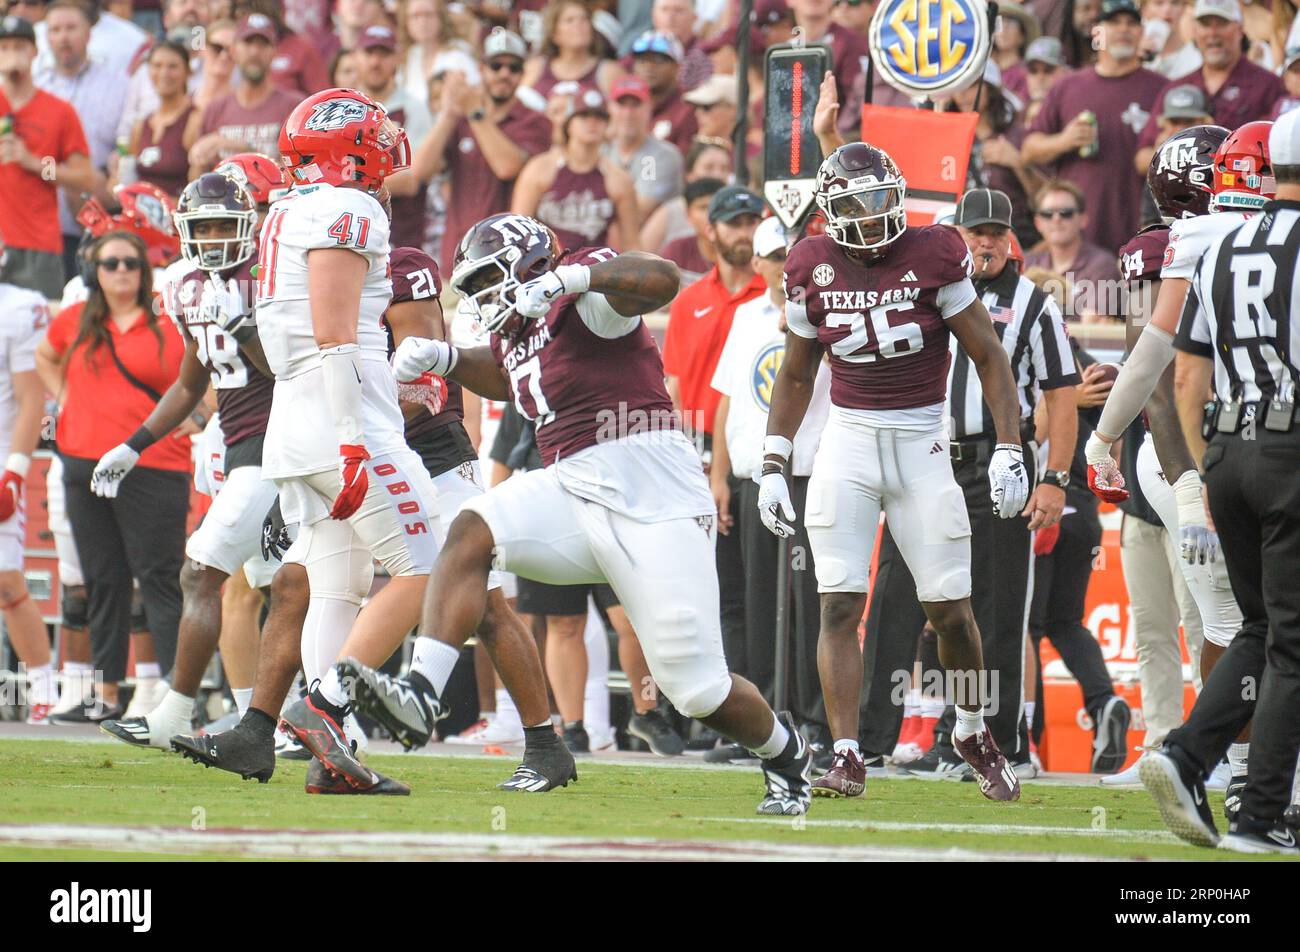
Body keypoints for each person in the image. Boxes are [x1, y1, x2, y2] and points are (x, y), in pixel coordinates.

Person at [348, 213, 815, 813]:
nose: (485, 297)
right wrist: (445, 357)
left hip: (654, 491)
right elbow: (512, 374)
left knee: (698, 691)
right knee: (470, 531)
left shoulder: (582, 293)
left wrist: (573, 282)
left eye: (491, 280)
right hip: (571, 481)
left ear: (530, 265)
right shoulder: (516, 330)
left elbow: (662, 278)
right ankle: (420, 690)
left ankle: (785, 754)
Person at [762, 146, 1031, 802]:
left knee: (950, 611)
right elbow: (797, 372)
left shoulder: (935, 252)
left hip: (920, 442)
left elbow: (990, 356)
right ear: (828, 210)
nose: (872, 214)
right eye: (856, 203)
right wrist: (773, 458)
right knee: (837, 602)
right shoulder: (809, 264)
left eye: (882, 198)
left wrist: (1010, 446)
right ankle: (848, 752)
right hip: (848, 443)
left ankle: (971, 727)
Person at [848, 188, 1080, 786]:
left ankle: (997, 740)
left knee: (994, 607)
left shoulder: (1033, 304)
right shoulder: (922, 289)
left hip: (994, 461)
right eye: (976, 231)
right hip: (923, 460)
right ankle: (866, 740)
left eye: (997, 233)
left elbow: (1061, 393)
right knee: (898, 598)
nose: (986, 242)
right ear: (953, 234)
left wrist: (1054, 478)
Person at [1140, 111, 1300, 853]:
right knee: (1292, 645)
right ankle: (1260, 813)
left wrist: (1206, 472)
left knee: (1261, 630)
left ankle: (1184, 754)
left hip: (1230, 450)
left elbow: (1186, 377)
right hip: (1291, 447)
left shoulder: (1224, 242)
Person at [1088, 124, 1267, 788]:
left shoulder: (1196, 240)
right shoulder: (1179, 244)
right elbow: (1161, 377)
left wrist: (1101, 436)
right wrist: (1188, 483)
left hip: (1222, 447)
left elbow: (1150, 369)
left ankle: (1223, 758)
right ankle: (1229, 761)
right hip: (1210, 451)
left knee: (1233, 621)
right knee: (1233, 621)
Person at [96, 172, 277, 749]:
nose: (219, 237)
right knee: (275, 584)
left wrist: (243, 324)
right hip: (245, 441)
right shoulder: (185, 285)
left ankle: (184, 717)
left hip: (288, 440)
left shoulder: (272, 277)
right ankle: (272, 724)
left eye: (229, 224)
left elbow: (287, 369)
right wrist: (134, 443)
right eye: (207, 227)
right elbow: (191, 378)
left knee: (209, 570)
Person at [34, 230, 190, 722]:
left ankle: (174, 696)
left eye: (131, 264)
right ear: (94, 273)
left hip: (155, 466)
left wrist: (200, 419)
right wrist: (66, 400)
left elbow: (195, 383)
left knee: (159, 580)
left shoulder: (166, 326)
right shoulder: (75, 322)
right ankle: (104, 698)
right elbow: (44, 355)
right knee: (103, 582)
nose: (122, 271)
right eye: (111, 263)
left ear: (145, 273)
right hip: (83, 464)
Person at [710, 215, 831, 749]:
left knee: (811, 601)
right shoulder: (746, 320)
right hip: (755, 477)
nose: (786, 266)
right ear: (758, 265)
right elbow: (729, 401)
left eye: (792, 255)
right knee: (759, 602)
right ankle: (762, 721)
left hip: (809, 472)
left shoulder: (827, 310)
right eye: (776, 257)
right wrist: (717, 474)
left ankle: (814, 718)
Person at [1023, 0, 1167, 253]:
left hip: (1141, 231)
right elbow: (1029, 149)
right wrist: (1064, 140)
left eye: (1132, 23)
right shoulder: (1068, 86)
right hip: (1078, 235)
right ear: (1097, 31)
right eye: (1113, 22)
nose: (1123, 29)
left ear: (1142, 32)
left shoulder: (1162, 88)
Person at [419, 27, 553, 274]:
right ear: (481, 70)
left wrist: (475, 112)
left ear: (523, 74)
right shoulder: (461, 119)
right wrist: (449, 114)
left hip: (513, 260)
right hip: (459, 254)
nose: (504, 73)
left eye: (513, 68)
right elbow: (421, 172)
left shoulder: (535, 122)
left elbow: (507, 167)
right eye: (496, 65)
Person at [0, 240, 55, 724]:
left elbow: (29, 399)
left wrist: (16, 468)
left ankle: (45, 688)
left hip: (1, 455)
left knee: (6, 579)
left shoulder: (19, 308)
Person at [0, 14, 94, 298]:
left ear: (35, 51)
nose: (12, 54)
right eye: (4, 47)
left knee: (41, 333)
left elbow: (84, 178)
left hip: (39, 244)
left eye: (20, 46)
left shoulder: (59, 111)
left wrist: (37, 164)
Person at [34, 1, 129, 274]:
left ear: (88, 34)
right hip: (45, 217)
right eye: (55, 30)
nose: (63, 37)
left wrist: (108, 175)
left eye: (71, 28)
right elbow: (34, 153)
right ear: (47, 37)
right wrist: (56, 174)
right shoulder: (37, 86)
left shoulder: (117, 84)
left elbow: (125, 144)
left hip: (98, 214)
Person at [1138, 0, 1283, 155]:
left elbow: (1282, 149)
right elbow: (1142, 155)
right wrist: (1166, 151)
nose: (1213, 33)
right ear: (1195, 31)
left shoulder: (1268, 85)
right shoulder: (1176, 87)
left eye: (1221, 24)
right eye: (1205, 24)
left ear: (1240, 29)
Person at [513, 86, 640, 253]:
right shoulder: (540, 169)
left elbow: (631, 245)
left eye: (599, 117)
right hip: (545, 267)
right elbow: (518, 231)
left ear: (607, 126)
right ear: (568, 124)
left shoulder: (618, 179)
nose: (592, 122)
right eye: (583, 116)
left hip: (595, 269)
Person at [186, 14, 301, 176]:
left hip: (275, 200)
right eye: (248, 43)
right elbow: (195, 180)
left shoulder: (294, 107)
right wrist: (198, 158)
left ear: (275, 52)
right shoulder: (215, 109)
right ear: (233, 51)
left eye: (263, 44)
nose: (254, 52)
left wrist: (240, 147)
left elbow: (294, 174)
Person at [352, 24, 434, 251]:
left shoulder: (413, 108)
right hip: (351, 230)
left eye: (384, 54)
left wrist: (343, 183)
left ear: (397, 59)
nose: (376, 62)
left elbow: (410, 179)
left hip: (401, 236)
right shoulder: (345, 107)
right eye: (369, 53)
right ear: (355, 57)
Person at [1024, 181, 1122, 320]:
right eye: (1047, 214)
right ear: (1038, 223)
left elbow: (1093, 323)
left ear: (1083, 219)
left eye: (1066, 213)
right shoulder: (1027, 263)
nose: (1056, 219)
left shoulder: (1102, 265)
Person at [604, 74, 684, 219]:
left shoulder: (659, 155)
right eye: (622, 105)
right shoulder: (602, 149)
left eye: (636, 105)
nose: (628, 113)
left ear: (650, 108)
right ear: (609, 107)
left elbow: (640, 211)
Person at [123, 40, 195, 199]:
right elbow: (128, 175)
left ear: (187, 72)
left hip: (178, 217)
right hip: (140, 216)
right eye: (157, 65)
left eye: (173, 66)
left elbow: (198, 188)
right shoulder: (141, 125)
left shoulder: (194, 119)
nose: (164, 73)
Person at [639, 136, 731, 250]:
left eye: (724, 168)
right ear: (689, 174)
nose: (718, 175)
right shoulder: (670, 212)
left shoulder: (737, 211)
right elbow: (642, 253)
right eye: (709, 167)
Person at [522, 0, 619, 100]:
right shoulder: (535, 68)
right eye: (570, 20)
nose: (579, 25)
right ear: (554, 33)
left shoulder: (609, 72)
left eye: (585, 19)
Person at [394, 0, 477, 105]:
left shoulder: (458, 56)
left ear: (441, 17)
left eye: (428, 15)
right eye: (415, 16)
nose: (422, 22)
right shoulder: (409, 56)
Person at [629, 29, 696, 157]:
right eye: (642, 60)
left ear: (678, 66)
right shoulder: (626, 104)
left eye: (659, 60)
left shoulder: (687, 108)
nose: (649, 66)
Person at [657, 175, 721, 284]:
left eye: (717, 207)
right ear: (688, 214)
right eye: (703, 207)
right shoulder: (677, 249)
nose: (711, 215)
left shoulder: (738, 249)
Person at [1140, 0, 1203, 77]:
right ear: (1144, 10)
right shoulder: (1134, 58)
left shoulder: (1198, 60)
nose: (1167, 9)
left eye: (1174, 3)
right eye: (1159, 3)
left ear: (1183, 9)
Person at [1022, 36, 1070, 125]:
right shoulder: (1017, 116)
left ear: (1066, 72)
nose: (1040, 78)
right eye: (1033, 70)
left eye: (1048, 70)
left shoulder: (1075, 113)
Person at [192, 17, 236, 112]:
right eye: (216, 48)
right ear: (202, 49)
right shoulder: (185, 102)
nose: (224, 56)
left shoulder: (245, 104)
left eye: (231, 50)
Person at [684, 71, 736, 142]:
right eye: (696, 106)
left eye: (706, 107)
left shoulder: (750, 151)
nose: (698, 113)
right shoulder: (699, 147)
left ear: (734, 110)